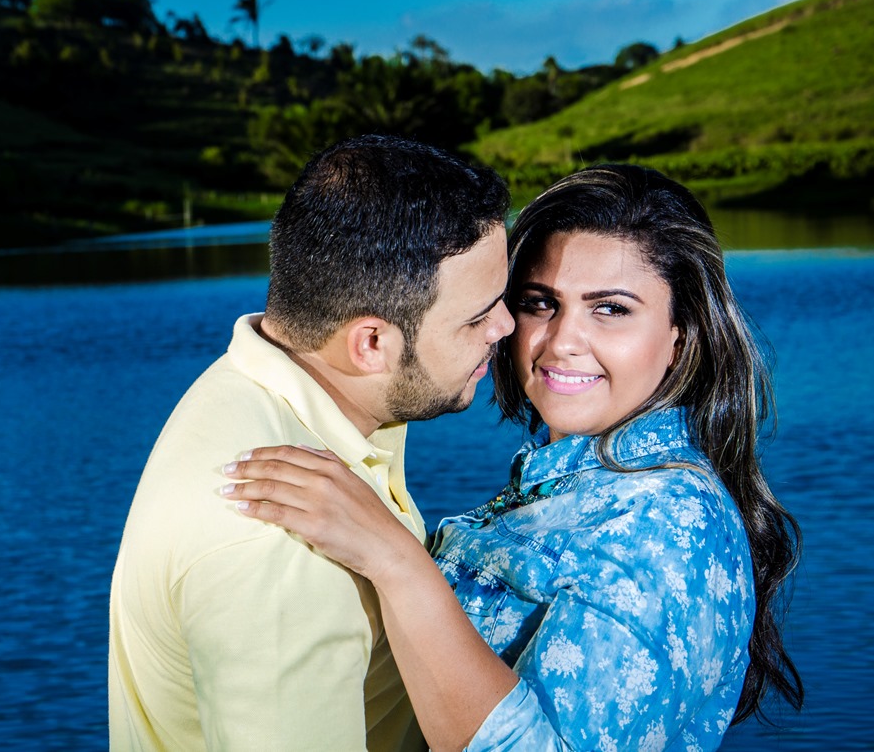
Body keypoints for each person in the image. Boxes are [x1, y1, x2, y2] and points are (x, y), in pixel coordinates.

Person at [222, 164, 804, 751]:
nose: (561, 341)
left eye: (611, 309)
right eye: (539, 303)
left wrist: (395, 560)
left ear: (682, 337)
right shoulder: (576, 483)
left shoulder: (668, 523)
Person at [108, 134, 517, 750]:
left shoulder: (281, 384)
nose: (506, 326)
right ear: (371, 345)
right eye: (477, 315)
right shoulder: (280, 546)